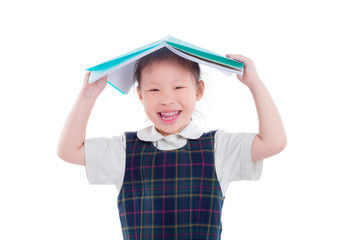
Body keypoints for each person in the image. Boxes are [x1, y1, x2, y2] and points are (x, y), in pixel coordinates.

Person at [57, 48, 286, 239]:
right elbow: (69, 151)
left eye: (178, 87)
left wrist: (254, 83)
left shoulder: (218, 148)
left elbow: (273, 142)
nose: (166, 99)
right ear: (140, 95)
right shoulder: (125, 150)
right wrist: (88, 95)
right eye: (154, 89)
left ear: (198, 90)